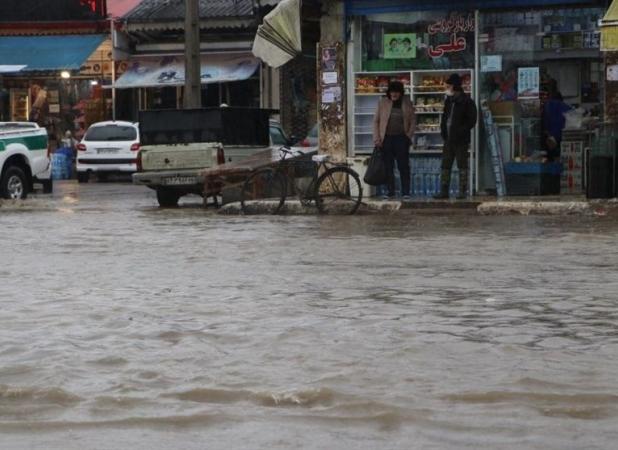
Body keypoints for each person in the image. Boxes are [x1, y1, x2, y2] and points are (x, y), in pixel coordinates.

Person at [434, 73, 477, 200]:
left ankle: (462, 191)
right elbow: (445, 117)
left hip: (461, 140)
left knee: (462, 165)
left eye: (449, 86)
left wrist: (461, 131)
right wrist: (443, 131)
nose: (447, 88)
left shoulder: (467, 101)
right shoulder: (448, 101)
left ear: (455, 86)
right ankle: (444, 191)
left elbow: (472, 120)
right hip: (448, 139)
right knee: (445, 165)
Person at [373, 80, 416, 200]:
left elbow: (413, 121)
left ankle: (405, 192)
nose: (394, 94)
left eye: (396, 92)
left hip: (402, 138)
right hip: (386, 139)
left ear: (401, 93)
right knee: (388, 166)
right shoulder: (382, 103)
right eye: (392, 92)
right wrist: (377, 138)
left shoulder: (407, 103)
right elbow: (376, 121)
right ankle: (390, 191)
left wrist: (408, 136)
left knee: (403, 166)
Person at [542, 84, 571, 162]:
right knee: (561, 156)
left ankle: (553, 167)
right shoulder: (566, 107)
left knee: (551, 156)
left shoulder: (548, 106)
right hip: (563, 136)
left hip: (551, 137)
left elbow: (545, 124)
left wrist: (548, 134)